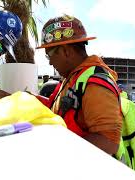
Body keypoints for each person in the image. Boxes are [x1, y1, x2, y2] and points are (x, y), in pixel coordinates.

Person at [36, 15, 122, 155]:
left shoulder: (94, 83)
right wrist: (27, 99)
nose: (50, 63)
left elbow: (108, 143)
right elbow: (57, 109)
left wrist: (55, 150)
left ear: (65, 51)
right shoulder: (72, 78)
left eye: (49, 55)